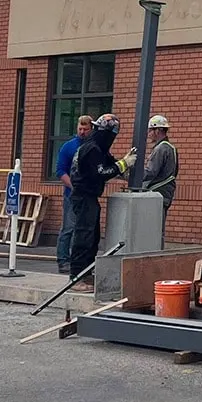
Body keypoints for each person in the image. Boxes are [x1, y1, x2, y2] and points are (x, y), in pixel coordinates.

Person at [66, 115, 132, 279]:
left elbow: (110, 164)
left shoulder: (98, 148)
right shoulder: (93, 149)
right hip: (84, 197)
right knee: (84, 235)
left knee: (92, 236)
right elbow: (101, 172)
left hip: (88, 197)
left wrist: (122, 166)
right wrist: (123, 164)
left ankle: (86, 273)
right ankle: (77, 275)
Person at [53, 115, 93, 273]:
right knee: (68, 227)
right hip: (72, 194)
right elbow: (60, 171)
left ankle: (78, 259)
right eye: (80, 129)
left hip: (87, 195)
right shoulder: (69, 147)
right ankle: (63, 260)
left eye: (86, 129)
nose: (82, 132)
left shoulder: (93, 147)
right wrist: (74, 187)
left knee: (82, 228)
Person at [136, 113, 179, 233]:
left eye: (150, 130)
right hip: (165, 194)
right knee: (157, 231)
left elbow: (150, 172)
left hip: (156, 195)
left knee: (152, 231)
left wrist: (130, 175)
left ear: (158, 130)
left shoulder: (160, 149)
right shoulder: (171, 148)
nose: (149, 134)